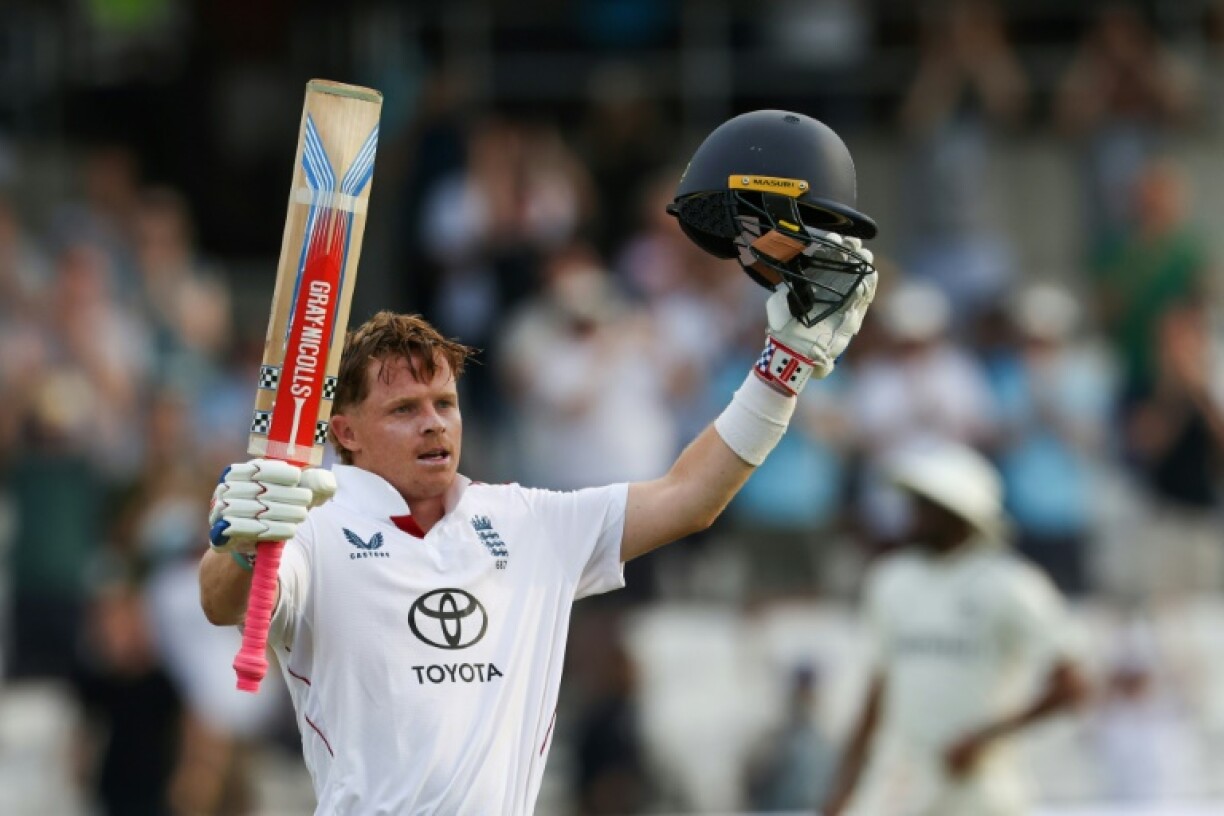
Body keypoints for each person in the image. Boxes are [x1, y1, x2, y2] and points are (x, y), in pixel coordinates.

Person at [199, 110, 879, 815]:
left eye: (444, 403)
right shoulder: (312, 521)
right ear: (345, 432)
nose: (434, 423)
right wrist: (243, 542)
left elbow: (691, 495)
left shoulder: (525, 522)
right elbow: (222, 600)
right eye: (404, 411)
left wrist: (784, 367)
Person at [822, 440, 1088, 816]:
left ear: (959, 513)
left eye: (926, 504)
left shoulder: (1010, 584)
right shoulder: (891, 581)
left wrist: (984, 739)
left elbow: (1073, 685)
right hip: (903, 782)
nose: (912, 514)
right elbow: (878, 691)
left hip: (982, 785)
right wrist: (845, 787)